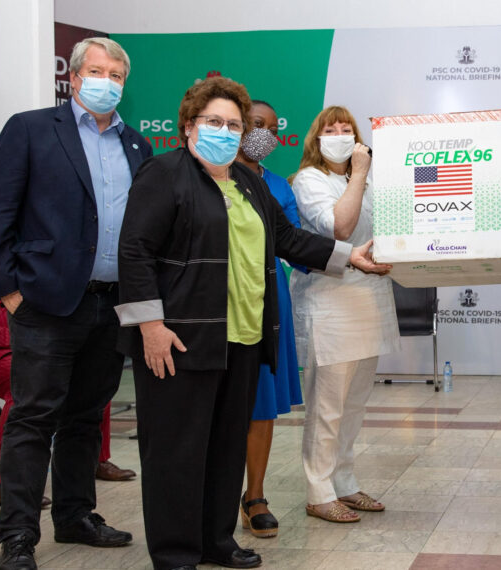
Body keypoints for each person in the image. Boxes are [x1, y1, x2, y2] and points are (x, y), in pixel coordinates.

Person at [115, 78, 389, 570]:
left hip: (242, 338)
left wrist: (352, 258)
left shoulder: (248, 182)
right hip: (181, 339)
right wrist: (150, 326)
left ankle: (216, 541)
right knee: (177, 453)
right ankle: (176, 553)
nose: (225, 131)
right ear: (188, 126)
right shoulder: (164, 174)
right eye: (214, 122)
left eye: (234, 125)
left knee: (223, 449)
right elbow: (134, 252)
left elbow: (288, 239)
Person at [0, 37, 150, 570]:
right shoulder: (30, 129)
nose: (107, 81)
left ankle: (76, 515)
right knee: (33, 419)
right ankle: (18, 535)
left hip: (110, 304)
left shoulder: (138, 145)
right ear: (73, 78)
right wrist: (9, 290)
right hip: (45, 302)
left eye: (117, 75)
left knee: (85, 418)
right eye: (97, 71)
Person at [0, 189, 134, 511]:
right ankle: (4, 484)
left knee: (92, 375)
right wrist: (14, 338)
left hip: (25, 343)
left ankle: (95, 461)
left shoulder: (24, 257)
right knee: (26, 380)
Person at [290, 106, 401, 524]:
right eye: (330, 129)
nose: (339, 134)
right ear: (316, 138)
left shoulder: (369, 182)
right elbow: (340, 226)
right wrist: (357, 174)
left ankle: (345, 481)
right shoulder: (310, 179)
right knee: (328, 404)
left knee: (354, 404)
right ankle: (318, 490)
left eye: (346, 129)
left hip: (369, 299)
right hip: (330, 303)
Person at [233, 99, 303, 539]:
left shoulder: (279, 185)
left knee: (260, 404)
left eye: (273, 129)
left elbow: (296, 242)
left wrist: (347, 259)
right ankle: (215, 497)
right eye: (256, 124)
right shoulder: (209, 176)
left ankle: (254, 496)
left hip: (270, 299)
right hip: (221, 300)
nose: (264, 134)